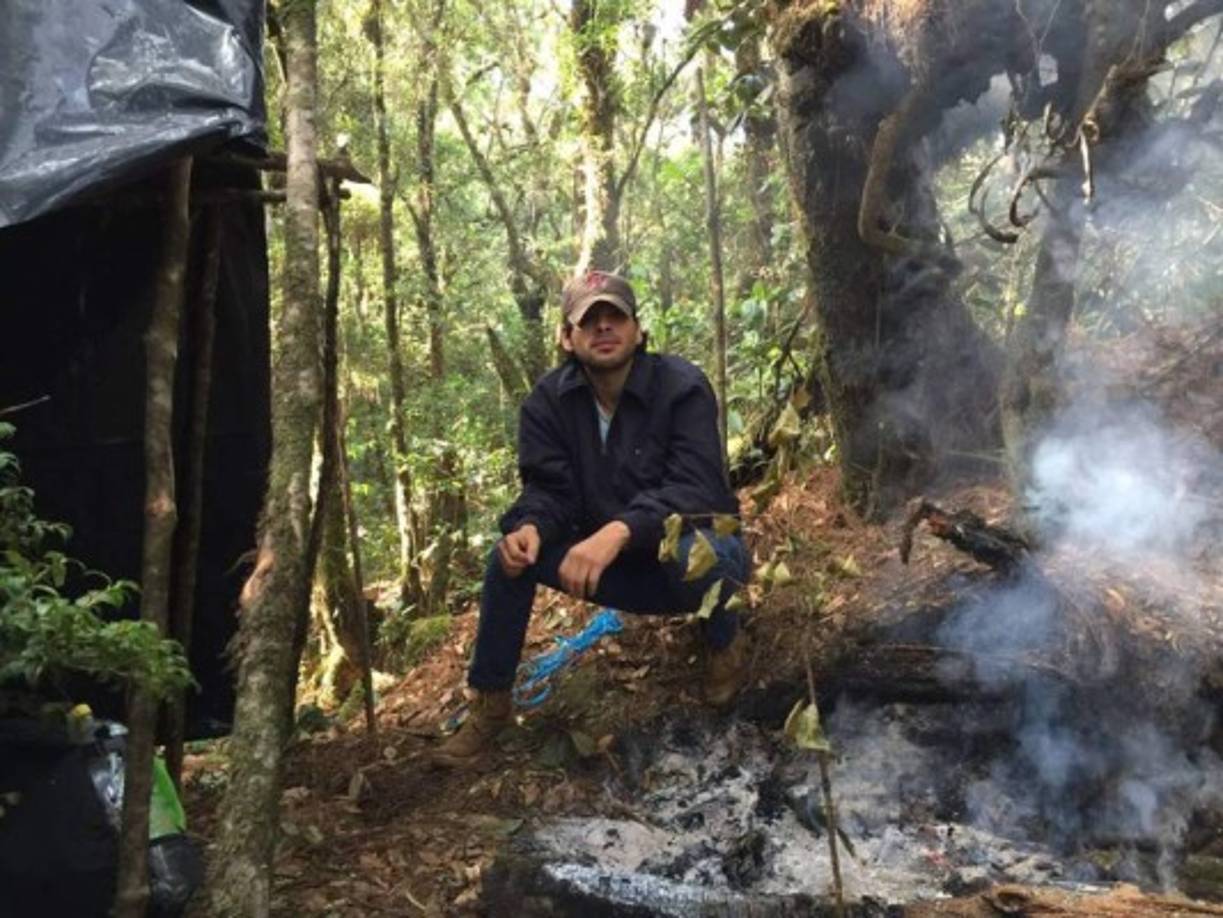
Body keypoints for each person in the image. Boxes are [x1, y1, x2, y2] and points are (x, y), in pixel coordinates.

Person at [434, 271, 750, 767]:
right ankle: (490, 704)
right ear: (567, 336)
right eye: (589, 320)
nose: (604, 328)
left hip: (687, 563)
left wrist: (619, 530)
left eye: (615, 317)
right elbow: (550, 490)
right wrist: (531, 528)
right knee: (510, 560)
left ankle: (723, 644)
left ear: (638, 330)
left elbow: (700, 492)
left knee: (704, 549)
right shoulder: (547, 403)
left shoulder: (682, 386)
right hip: (613, 571)